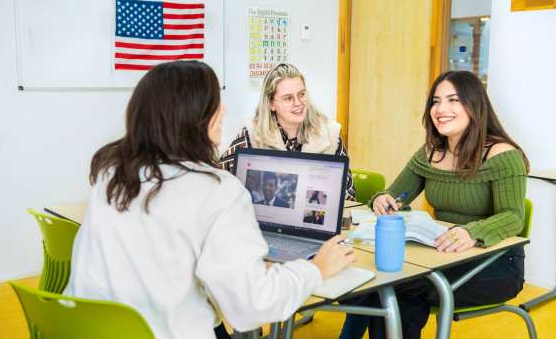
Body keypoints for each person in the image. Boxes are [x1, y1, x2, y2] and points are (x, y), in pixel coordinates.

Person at [63, 60, 356, 339]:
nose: (224, 109)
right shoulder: (218, 191)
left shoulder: (111, 174)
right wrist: (315, 269)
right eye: (215, 102)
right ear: (193, 118)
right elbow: (251, 307)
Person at [340, 70, 530, 339]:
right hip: (442, 252)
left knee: (397, 287)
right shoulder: (430, 152)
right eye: (435, 101)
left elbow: (513, 217)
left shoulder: (502, 155)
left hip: (494, 262)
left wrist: (471, 232)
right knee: (377, 280)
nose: (441, 109)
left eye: (453, 100)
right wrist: (383, 199)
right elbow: (394, 195)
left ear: (475, 105)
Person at [219, 63, 356, 201]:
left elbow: (348, 195)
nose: (298, 103)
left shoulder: (330, 134)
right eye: (288, 98)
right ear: (271, 104)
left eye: (301, 94)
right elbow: (219, 181)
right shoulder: (252, 134)